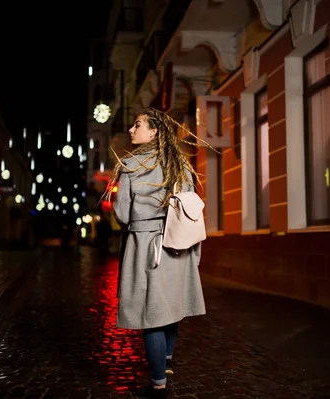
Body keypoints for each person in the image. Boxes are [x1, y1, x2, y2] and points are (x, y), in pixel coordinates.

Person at [105, 107, 211, 399]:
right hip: (177, 244)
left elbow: (123, 215)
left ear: (153, 131)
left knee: (151, 315)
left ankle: (158, 385)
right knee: (170, 306)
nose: (131, 129)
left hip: (145, 246)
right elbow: (191, 207)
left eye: (137, 124)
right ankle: (166, 362)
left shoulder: (131, 165)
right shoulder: (180, 165)